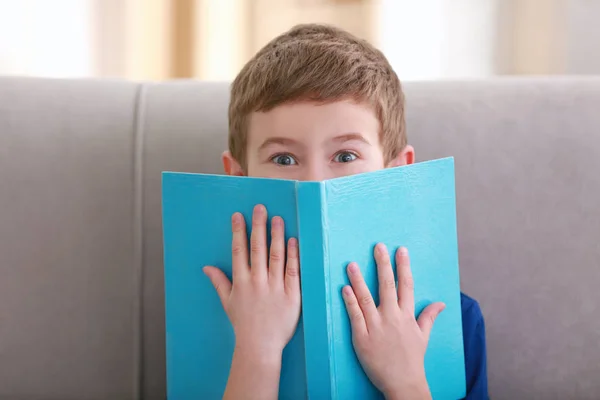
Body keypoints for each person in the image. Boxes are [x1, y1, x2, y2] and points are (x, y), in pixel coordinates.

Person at [202, 23, 488, 399]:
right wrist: (258, 351)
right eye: (284, 158)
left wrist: (405, 381)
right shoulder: (208, 310)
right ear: (237, 177)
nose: (315, 182)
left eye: (345, 156)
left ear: (396, 173)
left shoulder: (450, 320)